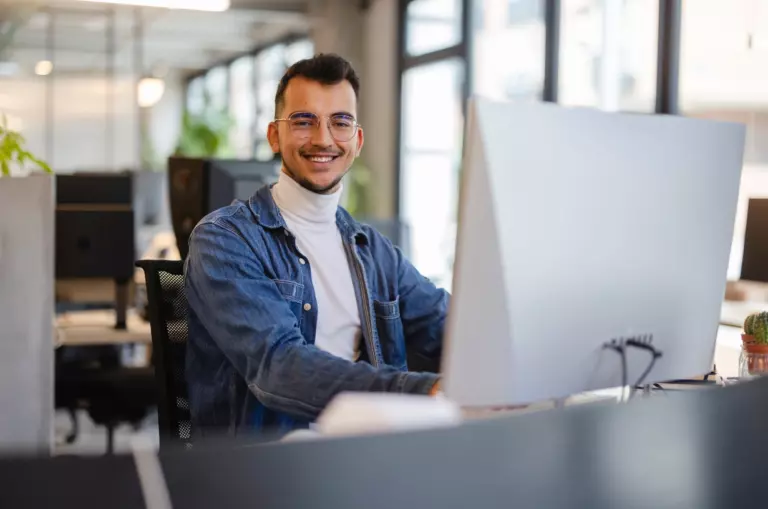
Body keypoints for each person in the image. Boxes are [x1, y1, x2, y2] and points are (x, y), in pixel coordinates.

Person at [184, 53, 449, 436]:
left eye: (340, 122)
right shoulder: (225, 239)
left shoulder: (372, 251)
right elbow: (280, 367)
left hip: (367, 454)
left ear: (356, 141)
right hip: (268, 469)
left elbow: (447, 326)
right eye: (303, 121)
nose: (323, 139)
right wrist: (420, 390)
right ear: (275, 135)